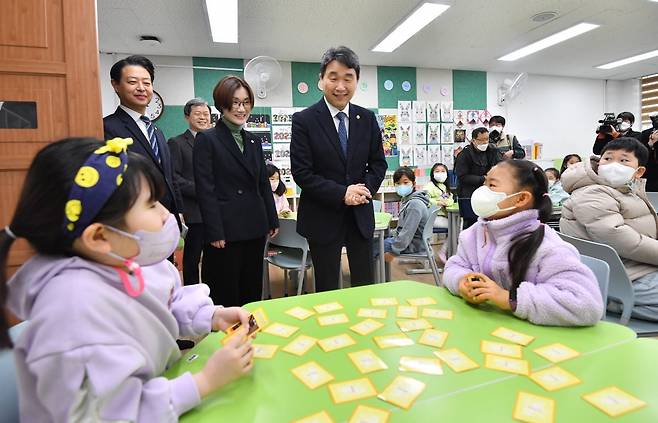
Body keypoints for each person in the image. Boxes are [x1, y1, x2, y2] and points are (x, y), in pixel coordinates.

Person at [0, 137, 254, 421]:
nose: (166, 214)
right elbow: (111, 414)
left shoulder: (129, 259)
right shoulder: (74, 311)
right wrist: (205, 381)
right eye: (151, 204)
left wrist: (212, 316)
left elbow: (163, 303)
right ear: (98, 237)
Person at [444, 159, 603, 326]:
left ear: (520, 199)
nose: (482, 190)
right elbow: (455, 266)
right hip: (486, 327)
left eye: (492, 185)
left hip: (536, 338)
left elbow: (586, 305)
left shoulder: (548, 246)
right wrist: (461, 281)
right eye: (485, 182)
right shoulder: (475, 233)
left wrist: (509, 298)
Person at [290, 46, 387, 292]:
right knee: (327, 287)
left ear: (357, 81)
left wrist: (362, 191)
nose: (340, 86)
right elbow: (302, 172)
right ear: (321, 80)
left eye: (348, 78)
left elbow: (378, 163)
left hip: (360, 216)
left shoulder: (367, 118)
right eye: (333, 77)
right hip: (322, 216)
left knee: (365, 285)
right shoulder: (305, 120)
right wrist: (342, 193)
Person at [194, 76, 279, 306]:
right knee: (225, 291)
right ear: (222, 104)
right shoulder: (207, 139)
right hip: (226, 231)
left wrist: (272, 219)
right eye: (235, 102)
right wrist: (214, 231)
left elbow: (262, 182)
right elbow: (206, 188)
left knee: (251, 289)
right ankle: (227, 339)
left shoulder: (253, 141)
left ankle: (250, 335)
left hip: (254, 226)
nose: (241, 109)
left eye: (246, 102)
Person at [560, 137, 658, 321]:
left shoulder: (625, 191)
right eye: (608, 158)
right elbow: (620, 238)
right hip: (621, 276)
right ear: (599, 161)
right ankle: (610, 301)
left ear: (639, 171)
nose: (613, 164)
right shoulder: (593, 193)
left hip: (635, 267)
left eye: (624, 160)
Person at [103, 55, 183, 224]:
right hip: (132, 220)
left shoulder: (157, 131)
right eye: (132, 82)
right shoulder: (107, 128)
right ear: (115, 85)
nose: (141, 88)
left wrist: (178, 211)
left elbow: (170, 176)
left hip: (165, 218)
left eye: (146, 83)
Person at [168, 98, 212, 284]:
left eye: (206, 114)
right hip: (194, 211)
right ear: (187, 116)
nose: (203, 118)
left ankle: (213, 294)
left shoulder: (214, 141)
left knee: (214, 258)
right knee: (192, 258)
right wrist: (203, 191)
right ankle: (192, 294)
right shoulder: (177, 143)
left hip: (216, 210)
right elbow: (174, 178)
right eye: (198, 114)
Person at [377, 167, 431, 263]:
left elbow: (407, 233)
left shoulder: (414, 204)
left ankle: (372, 276)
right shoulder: (407, 200)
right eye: (398, 183)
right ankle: (380, 274)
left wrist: (394, 251)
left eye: (405, 182)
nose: (401, 186)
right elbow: (402, 230)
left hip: (413, 245)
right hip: (411, 242)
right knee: (377, 239)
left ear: (413, 184)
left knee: (375, 245)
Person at [454, 127, 503, 229]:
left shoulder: (493, 151)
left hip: (490, 194)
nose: (485, 142)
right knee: (471, 225)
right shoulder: (464, 155)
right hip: (469, 194)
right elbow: (462, 176)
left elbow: (501, 167)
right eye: (481, 140)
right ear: (473, 140)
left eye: (487, 139)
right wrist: (483, 179)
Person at [423, 162, 454, 229]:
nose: (440, 173)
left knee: (457, 223)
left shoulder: (445, 186)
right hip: (434, 217)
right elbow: (424, 199)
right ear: (432, 174)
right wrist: (437, 202)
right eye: (437, 171)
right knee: (454, 225)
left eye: (443, 171)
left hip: (444, 216)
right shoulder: (430, 186)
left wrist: (447, 202)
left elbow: (451, 198)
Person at [639, 112, 658, 192]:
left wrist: (656, 143)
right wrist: (650, 144)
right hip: (649, 174)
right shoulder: (646, 133)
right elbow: (641, 154)